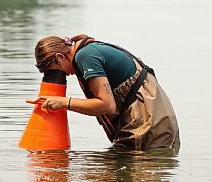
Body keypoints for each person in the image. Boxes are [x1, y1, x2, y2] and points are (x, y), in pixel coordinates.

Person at [31, 34, 180, 150]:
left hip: (149, 122)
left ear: (60, 56)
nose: (65, 75)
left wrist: (64, 102)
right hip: (156, 117)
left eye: (58, 71)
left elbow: (106, 106)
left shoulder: (85, 56)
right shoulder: (88, 49)